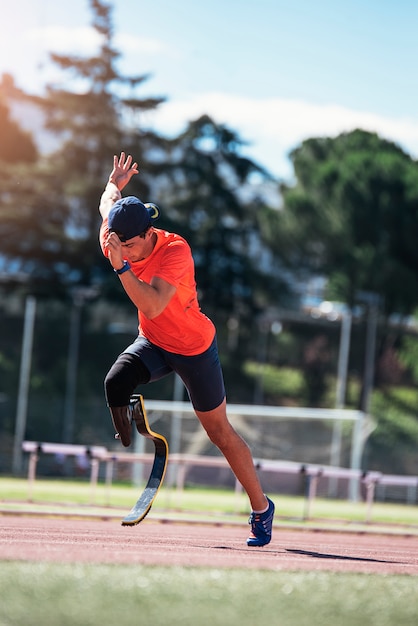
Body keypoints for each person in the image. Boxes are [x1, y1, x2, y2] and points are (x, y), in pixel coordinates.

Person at [98, 152, 275, 547]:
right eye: (116, 245)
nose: (121, 251)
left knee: (219, 433)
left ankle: (262, 509)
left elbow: (154, 305)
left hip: (194, 348)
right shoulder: (113, 238)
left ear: (148, 234)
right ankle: (135, 435)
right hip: (155, 342)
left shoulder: (175, 251)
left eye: (128, 246)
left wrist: (121, 268)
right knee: (114, 384)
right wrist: (115, 182)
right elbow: (106, 201)